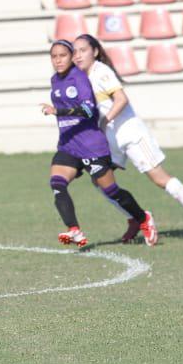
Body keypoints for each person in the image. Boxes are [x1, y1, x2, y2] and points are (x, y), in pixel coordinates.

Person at [72, 34, 183, 243]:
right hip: (110, 140)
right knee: (99, 180)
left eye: (83, 50)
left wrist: (104, 122)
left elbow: (121, 99)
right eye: (75, 51)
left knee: (159, 178)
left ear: (94, 51)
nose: (78, 55)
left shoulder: (101, 72)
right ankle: (134, 218)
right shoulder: (81, 78)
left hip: (130, 133)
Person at [40, 40, 156, 248]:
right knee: (57, 184)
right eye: (54, 56)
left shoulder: (80, 78)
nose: (58, 60)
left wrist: (59, 111)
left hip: (91, 145)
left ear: (71, 56)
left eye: (62, 55)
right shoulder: (55, 80)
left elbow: (88, 110)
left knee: (111, 190)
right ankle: (74, 230)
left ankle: (142, 218)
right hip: (68, 145)